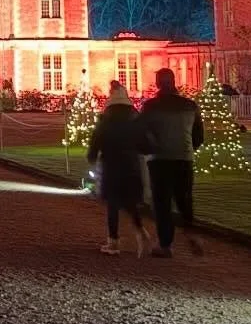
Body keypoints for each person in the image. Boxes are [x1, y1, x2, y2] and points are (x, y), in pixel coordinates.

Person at [141, 67, 204, 257]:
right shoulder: (190, 105)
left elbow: (141, 133)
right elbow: (198, 136)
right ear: (174, 81)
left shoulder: (151, 106)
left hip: (160, 160)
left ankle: (166, 245)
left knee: (162, 203)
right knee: (184, 198)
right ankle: (191, 232)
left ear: (158, 83)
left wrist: (147, 149)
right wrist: (187, 149)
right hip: (184, 159)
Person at [86, 82, 149, 254]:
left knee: (113, 203)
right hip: (131, 164)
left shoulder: (106, 118)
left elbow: (96, 140)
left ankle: (113, 242)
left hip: (112, 164)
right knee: (130, 201)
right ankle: (140, 230)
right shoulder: (135, 117)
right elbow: (144, 143)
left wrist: (92, 155)